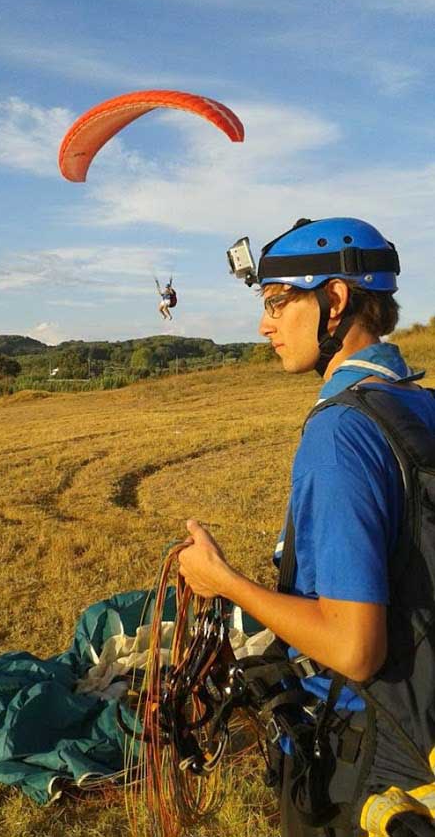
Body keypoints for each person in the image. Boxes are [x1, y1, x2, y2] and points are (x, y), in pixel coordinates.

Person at [177, 217, 435, 837]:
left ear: (336, 300)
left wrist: (223, 581)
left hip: (369, 764)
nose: (264, 324)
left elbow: (353, 648)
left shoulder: (340, 435)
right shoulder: (419, 404)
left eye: (276, 303)